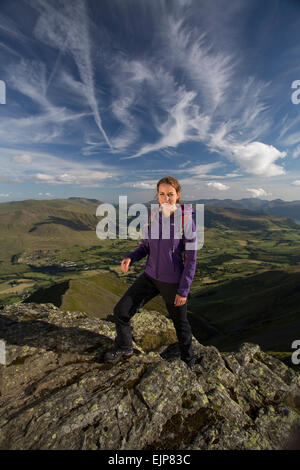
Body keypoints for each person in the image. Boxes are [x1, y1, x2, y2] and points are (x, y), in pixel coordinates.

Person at [103, 176, 197, 370]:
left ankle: (189, 362)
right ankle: (125, 347)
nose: (166, 198)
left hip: (172, 282)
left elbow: (191, 259)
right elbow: (145, 246)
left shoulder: (186, 221)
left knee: (180, 325)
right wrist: (131, 257)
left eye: (170, 194)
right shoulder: (153, 217)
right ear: (158, 195)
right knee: (121, 311)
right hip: (150, 276)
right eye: (162, 194)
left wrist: (183, 290)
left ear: (178, 195)